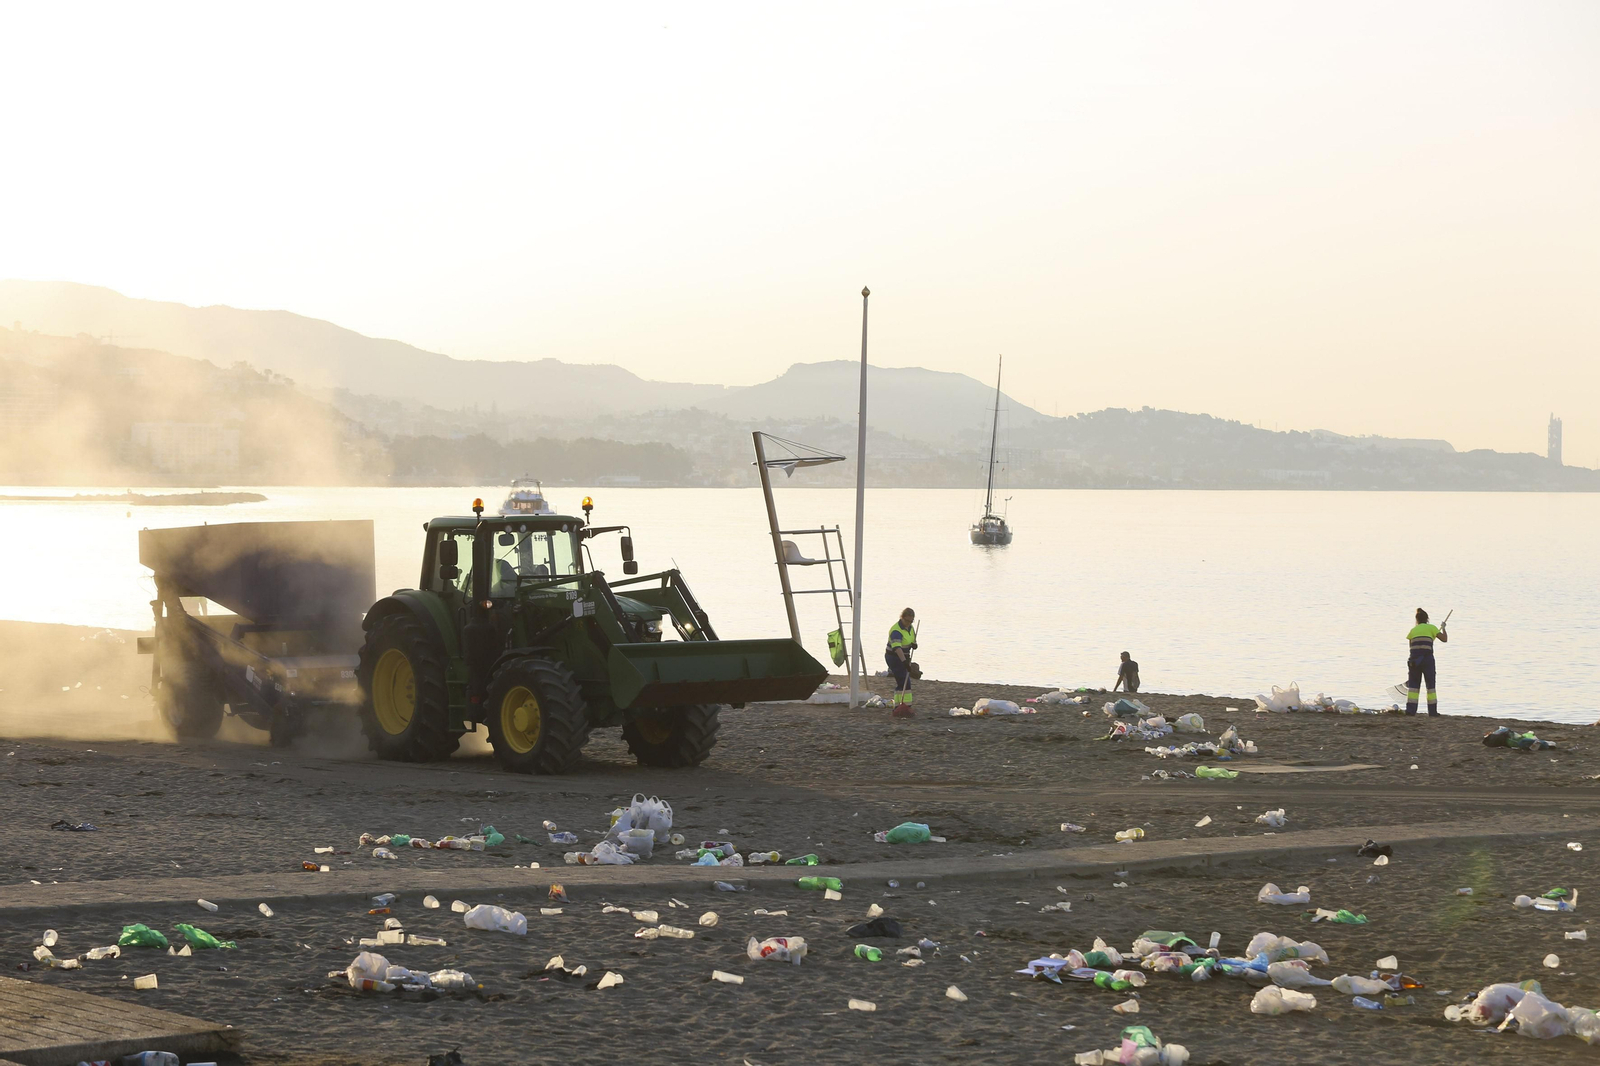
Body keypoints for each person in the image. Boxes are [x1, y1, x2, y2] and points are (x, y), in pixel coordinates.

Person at [1405, 607, 1448, 715]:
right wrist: (1443, 628)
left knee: (1413, 687)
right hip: (1427, 660)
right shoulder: (1432, 628)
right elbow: (1444, 639)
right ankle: (1432, 712)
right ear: (1427, 619)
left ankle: (1410, 711)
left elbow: (1411, 647)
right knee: (1430, 686)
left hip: (1414, 661)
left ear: (1417, 620)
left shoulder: (1413, 631)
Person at [885, 608, 917, 718]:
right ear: (902, 618)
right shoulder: (896, 631)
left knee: (901, 682)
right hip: (894, 657)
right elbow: (897, 648)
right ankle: (905, 706)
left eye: (911, 621)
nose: (908, 623)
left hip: (905, 656)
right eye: (907, 621)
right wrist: (904, 662)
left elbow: (910, 639)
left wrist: (914, 644)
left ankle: (899, 705)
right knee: (904, 681)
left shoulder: (911, 628)